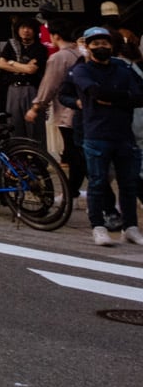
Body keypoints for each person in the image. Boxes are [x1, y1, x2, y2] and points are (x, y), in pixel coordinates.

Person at [59, 26, 143, 245]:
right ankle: (98, 227)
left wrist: (112, 98)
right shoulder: (81, 70)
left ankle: (131, 227)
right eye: (95, 43)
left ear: (112, 45)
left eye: (104, 43)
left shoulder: (123, 68)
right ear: (87, 47)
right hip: (96, 134)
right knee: (97, 183)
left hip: (124, 134)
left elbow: (139, 95)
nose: (101, 47)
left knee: (128, 184)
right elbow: (94, 92)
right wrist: (123, 97)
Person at [27, 21, 87, 201]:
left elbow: (49, 85)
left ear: (56, 36)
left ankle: (74, 191)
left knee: (74, 152)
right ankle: (74, 190)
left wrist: (36, 107)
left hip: (67, 111)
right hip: (86, 110)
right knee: (78, 152)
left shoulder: (58, 57)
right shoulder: (81, 53)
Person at [0, 17, 47, 141]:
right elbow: (1, 64)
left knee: (34, 126)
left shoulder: (40, 48)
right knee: (14, 125)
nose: (26, 31)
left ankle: (36, 152)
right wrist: (23, 67)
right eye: (23, 28)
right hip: (14, 89)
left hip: (31, 89)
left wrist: (12, 63)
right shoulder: (11, 45)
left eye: (29, 28)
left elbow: (31, 70)